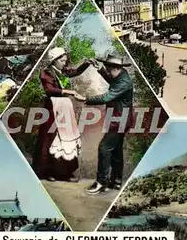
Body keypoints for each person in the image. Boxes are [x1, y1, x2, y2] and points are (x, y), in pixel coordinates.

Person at [76, 54, 134, 194]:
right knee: (116, 150)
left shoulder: (124, 82)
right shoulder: (121, 75)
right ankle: (116, 182)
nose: (107, 72)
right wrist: (100, 69)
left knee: (104, 148)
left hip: (118, 121)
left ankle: (101, 182)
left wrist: (85, 98)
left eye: (108, 69)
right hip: (120, 119)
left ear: (115, 68)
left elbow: (107, 96)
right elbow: (112, 80)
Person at [32, 47, 91, 182]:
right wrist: (70, 92)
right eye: (62, 60)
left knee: (67, 138)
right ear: (54, 61)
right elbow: (50, 90)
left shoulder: (63, 72)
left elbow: (75, 71)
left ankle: (66, 172)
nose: (64, 62)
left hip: (64, 108)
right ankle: (47, 172)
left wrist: (86, 63)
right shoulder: (45, 73)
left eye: (65, 60)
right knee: (51, 138)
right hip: (53, 108)